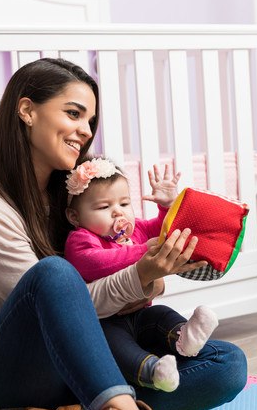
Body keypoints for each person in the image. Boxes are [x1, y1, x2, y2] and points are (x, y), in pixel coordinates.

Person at [0, 58, 247, 410]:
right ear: (26, 111)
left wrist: (154, 275)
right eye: (73, 113)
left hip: (80, 367)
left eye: (90, 120)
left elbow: (110, 275)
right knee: (53, 272)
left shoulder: (75, 198)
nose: (85, 130)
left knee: (227, 365)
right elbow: (66, 298)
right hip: (8, 376)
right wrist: (142, 277)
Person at [63, 157, 220, 393]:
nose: (118, 213)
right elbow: (93, 264)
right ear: (75, 217)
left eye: (124, 204)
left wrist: (168, 206)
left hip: (141, 313)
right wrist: (141, 251)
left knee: (161, 314)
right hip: (106, 321)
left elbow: (164, 229)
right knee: (115, 345)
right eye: (104, 207)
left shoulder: (136, 230)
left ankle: (185, 336)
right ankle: (153, 371)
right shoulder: (81, 239)